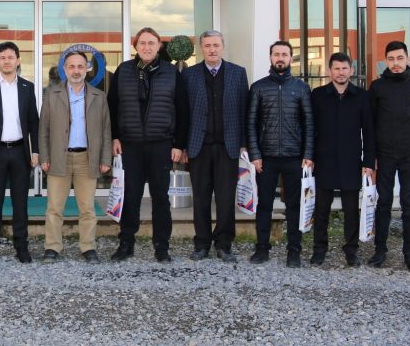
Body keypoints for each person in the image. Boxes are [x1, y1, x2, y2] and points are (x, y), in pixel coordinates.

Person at [107, 27, 189, 262]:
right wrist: (115, 137)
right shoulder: (124, 70)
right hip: (130, 144)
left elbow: (182, 110)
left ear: (159, 46)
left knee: (160, 197)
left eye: (151, 43)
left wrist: (179, 144)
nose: (147, 47)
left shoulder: (171, 73)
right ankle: (126, 244)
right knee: (130, 196)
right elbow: (112, 107)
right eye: (142, 43)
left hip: (161, 144)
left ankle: (161, 247)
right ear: (136, 46)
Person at [38, 51, 112, 263]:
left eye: (80, 66)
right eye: (72, 66)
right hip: (58, 157)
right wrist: (44, 156)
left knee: (87, 208)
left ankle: (88, 247)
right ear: (65, 69)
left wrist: (105, 159)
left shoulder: (99, 96)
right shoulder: (52, 94)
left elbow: (106, 130)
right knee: (54, 207)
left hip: (87, 158)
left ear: (87, 68)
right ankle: (52, 247)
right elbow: (44, 129)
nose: (76, 71)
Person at [246, 40, 315, 267]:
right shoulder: (258, 87)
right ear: (270, 57)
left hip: (294, 157)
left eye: (284, 54)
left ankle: (294, 251)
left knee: (294, 206)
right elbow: (251, 123)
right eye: (276, 54)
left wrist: (308, 154)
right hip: (266, 158)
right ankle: (262, 249)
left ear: (291, 58)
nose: (280, 58)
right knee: (264, 204)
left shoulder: (301, 88)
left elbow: (309, 123)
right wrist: (255, 154)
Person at [183, 30, 248, 263]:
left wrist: (244, 143)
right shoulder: (189, 75)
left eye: (216, 45)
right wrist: (182, 145)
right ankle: (201, 244)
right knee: (200, 197)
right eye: (208, 45)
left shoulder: (238, 73)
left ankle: (224, 244)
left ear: (223, 47)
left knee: (225, 198)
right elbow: (183, 112)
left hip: (228, 146)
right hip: (198, 146)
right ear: (201, 48)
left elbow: (245, 109)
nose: (212, 49)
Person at [368, 41, 410, 271]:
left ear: (407, 58)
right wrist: (370, 159)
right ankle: (380, 251)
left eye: (400, 58)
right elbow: (370, 126)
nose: (395, 63)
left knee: (408, 205)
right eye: (391, 59)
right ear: (386, 61)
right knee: (383, 203)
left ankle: (409, 253)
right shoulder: (377, 87)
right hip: (384, 156)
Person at [0, 41, 40, 263]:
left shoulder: (27, 87)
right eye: (2, 58)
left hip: (20, 152)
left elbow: (34, 122)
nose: (6, 61)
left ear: (18, 61)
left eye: (10, 57)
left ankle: (21, 246)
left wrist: (36, 151)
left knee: (20, 203)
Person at [310, 52, 375, 267]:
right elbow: (310, 129)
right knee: (321, 209)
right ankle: (319, 249)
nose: (341, 72)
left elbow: (369, 131)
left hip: (351, 161)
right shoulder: (318, 95)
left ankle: (351, 250)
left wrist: (368, 161)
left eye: (344, 68)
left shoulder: (362, 96)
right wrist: (309, 156)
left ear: (351, 71)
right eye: (336, 68)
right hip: (324, 160)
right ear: (329, 71)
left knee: (351, 210)